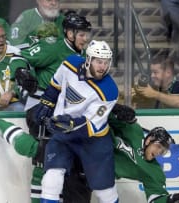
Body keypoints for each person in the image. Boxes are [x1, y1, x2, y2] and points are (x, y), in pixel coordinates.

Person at [0, 106, 179, 203]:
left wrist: (171, 200)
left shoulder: (153, 171)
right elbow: (102, 116)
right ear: (151, 140)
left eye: (163, 151)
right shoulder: (132, 130)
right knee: (37, 152)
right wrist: (119, 110)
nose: (160, 154)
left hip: (87, 177)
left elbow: (156, 197)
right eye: (159, 148)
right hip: (82, 148)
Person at [34, 40, 118, 203]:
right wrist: (47, 102)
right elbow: (55, 86)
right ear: (88, 60)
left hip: (93, 140)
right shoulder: (69, 64)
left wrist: (69, 123)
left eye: (106, 62)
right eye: (99, 61)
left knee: (104, 191)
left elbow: (91, 125)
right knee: (51, 179)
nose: (103, 66)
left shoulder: (109, 90)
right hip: (63, 133)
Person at [10, 11, 92, 111]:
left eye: (87, 35)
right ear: (70, 34)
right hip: (40, 102)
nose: (86, 39)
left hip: (66, 105)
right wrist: (21, 71)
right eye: (82, 35)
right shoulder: (53, 47)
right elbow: (19, 55)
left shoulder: (85, 55)